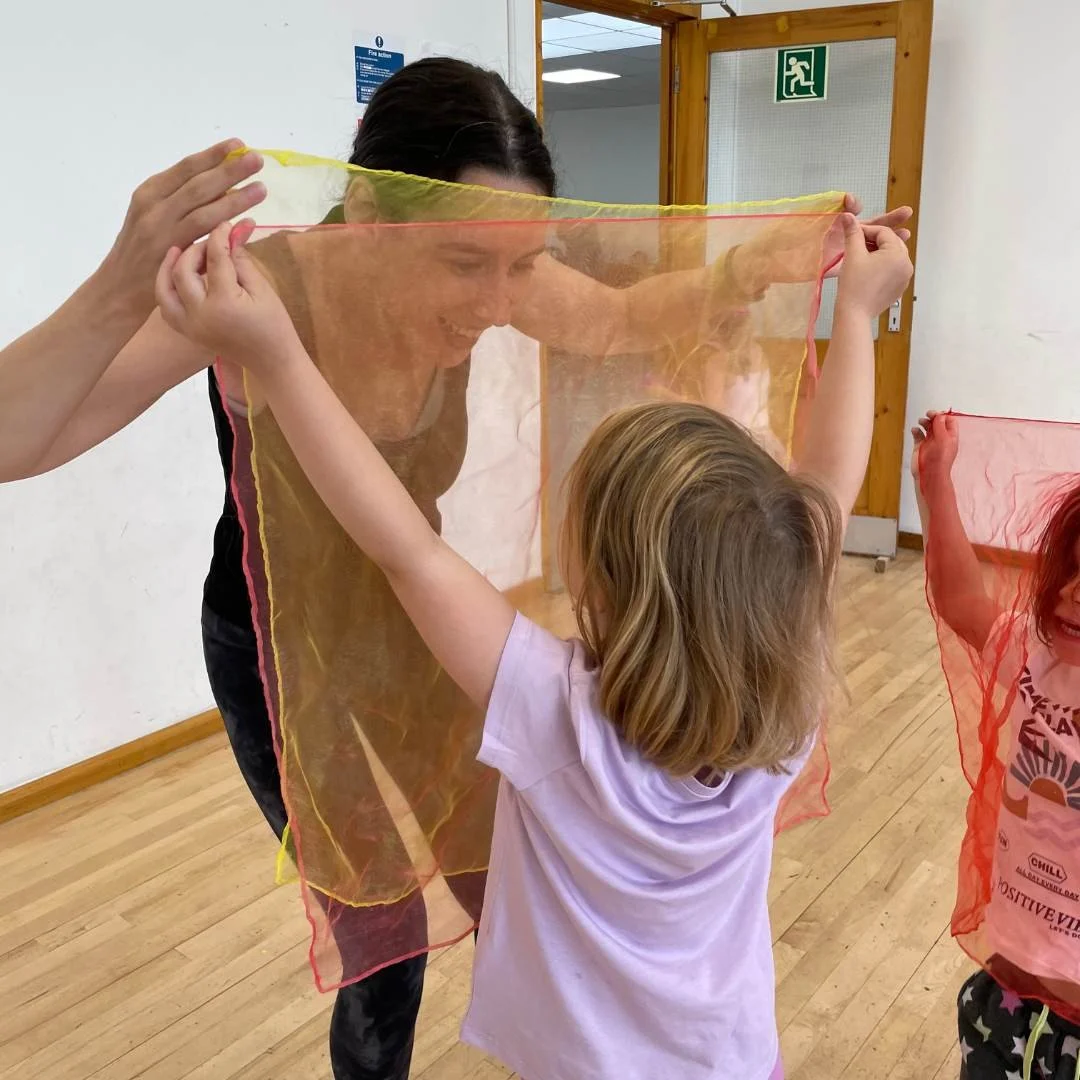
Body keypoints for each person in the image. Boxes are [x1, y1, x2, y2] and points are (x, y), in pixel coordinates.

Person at [0, 56, 912, 1079]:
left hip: (414, 624)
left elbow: (613, 319)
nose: (498, 302)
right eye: (467, 264)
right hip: (279, 647)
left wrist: (753, 270)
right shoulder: (260, 298)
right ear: (371, 212)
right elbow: (15, 439)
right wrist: (122, 283)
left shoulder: (497, 275)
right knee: (381, 943)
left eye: (520, 266)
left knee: (512, 883)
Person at [913, 412, 1080, 1080]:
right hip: (1007, 1003)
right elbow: (959, 600)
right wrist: (935, 482)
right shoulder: (1032, 658)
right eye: (1068, 568)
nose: (1070, 594)